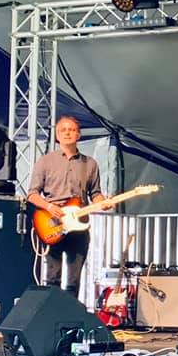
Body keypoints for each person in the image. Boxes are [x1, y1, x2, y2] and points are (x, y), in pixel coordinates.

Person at [27, 115, 109, 298]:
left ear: (78, 135)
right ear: (57, 135)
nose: (67, 133)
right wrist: (48, 207)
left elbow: (95, 193)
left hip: (79, 227)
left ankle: (69, 317)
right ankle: (51, 316)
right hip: (52, 223)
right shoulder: (45, 161)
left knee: (74, 279)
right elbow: (32, 194)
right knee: (52, 277)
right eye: (63, 130)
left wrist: (102, 203)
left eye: (71, 130)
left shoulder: (90, 164)